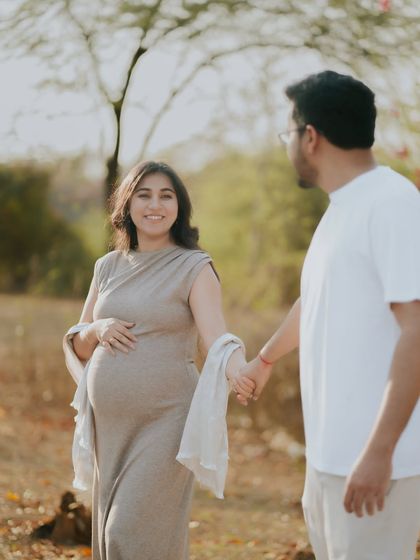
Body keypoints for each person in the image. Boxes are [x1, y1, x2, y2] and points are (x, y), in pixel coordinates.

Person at [236, 71, 420, 560]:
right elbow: (314, 302)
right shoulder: (341, 210)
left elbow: (417, 332)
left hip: (376, 465)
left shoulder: (393, 204)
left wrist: (379, 451)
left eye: (289, 134)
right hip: (328, 459)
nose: (289, 146)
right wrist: (265, 360)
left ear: (311, 137)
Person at [65, 160, 254, 560]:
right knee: (114, 538)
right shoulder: (107, 267)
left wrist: (239, 370)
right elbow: (80, 345)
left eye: (166, 196)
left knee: (127, 532)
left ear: (179, 207)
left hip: (167, 420)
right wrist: (97, 329)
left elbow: (216, 337)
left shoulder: (194, 266)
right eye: (144, 195)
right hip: (110, 427)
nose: (155, 205)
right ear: (127, 204)